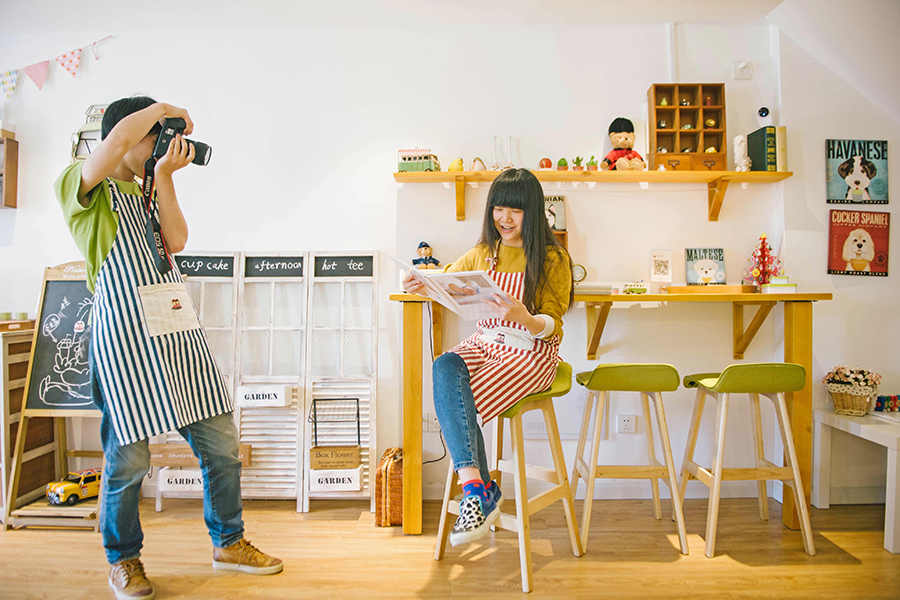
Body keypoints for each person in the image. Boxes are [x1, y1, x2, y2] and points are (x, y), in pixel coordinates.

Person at [54, 96, 282, 600]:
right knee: (128, 459)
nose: (158, 142)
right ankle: (124, 560)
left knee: (221, 447)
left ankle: (229, 542)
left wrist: (167, 176)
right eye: (151, 134)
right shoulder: (84, 185)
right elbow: (113, 142)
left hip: (176, 333)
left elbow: (176, 240)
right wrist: (161, 107)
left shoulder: (146, 190)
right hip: (125, 340)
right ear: (124, 135)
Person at [402, 168, 573, 546]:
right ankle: (478, 490)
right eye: (498, 209)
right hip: (485, 343)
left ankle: (478, 497)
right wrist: (418, 282)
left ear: (533, 211)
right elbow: (445, 280)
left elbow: (554, 324)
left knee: (456, 398)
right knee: (445, 366)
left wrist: (526, 318)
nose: (505, 219)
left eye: (515, 211)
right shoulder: (484, 252)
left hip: (530, 351)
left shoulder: (551, 258)